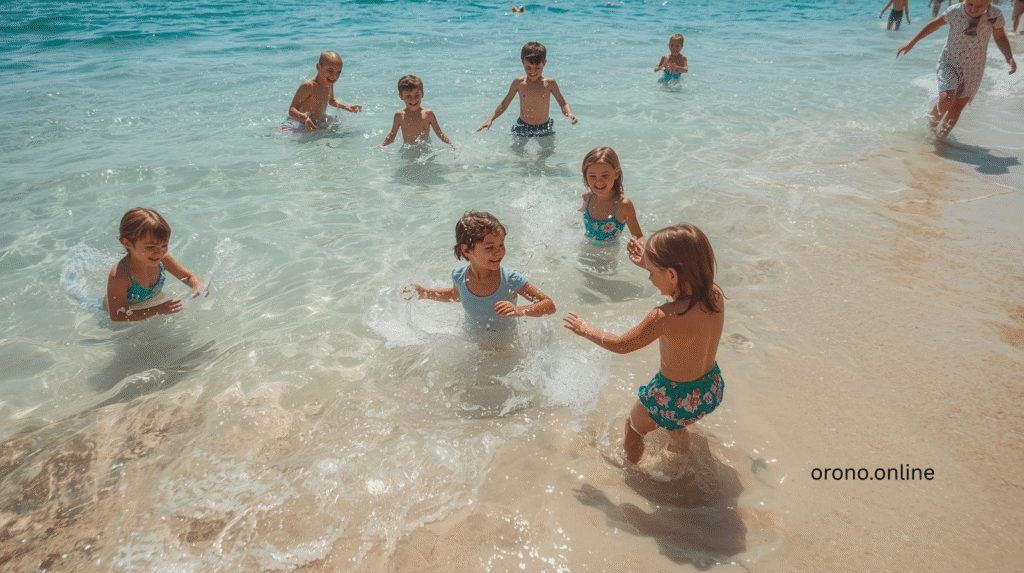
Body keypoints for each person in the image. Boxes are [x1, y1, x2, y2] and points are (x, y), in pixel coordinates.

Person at [563, 224, 725, 464]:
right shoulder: (715, 295)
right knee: (675, 419)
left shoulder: (665, 317)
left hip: (671, 396)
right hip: (708, 390)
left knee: (633, 425)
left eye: (651, 273)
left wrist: (587, 330)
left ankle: (631, 470)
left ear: (671, 274)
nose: (650, 278)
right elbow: (681, 284)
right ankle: (680, 448)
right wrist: (650, 263)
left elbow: (621, 345)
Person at [406, 211, 555, 333]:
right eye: (489, 248)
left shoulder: (509, 279)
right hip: (472, 341)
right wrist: (424, 293)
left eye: (501, 245)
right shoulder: (459, 276)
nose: (499, 252)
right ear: (466, 250)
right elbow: (456, 295)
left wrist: (519, 310)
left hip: (505, 348)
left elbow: (549, 305)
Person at [896, 0, 1016, 138]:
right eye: (970, 4)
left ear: (989, 2)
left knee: (958, 105)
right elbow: (934, 25)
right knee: (947, 97)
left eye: (979, 6)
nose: (973, 9)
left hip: (974, 66)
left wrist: (1009, 57)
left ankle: (941, 138)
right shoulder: (955, 11)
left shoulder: (995, 15)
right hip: (950, 61)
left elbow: (1000, 37)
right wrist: (912, 42)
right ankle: (929, 131)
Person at [103, 208, 203, 322]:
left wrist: (197, 288)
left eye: (164, 245)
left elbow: (190, 277)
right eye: (151, 247)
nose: (160, 252)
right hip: (110, 316)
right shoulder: (120, 276)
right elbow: (117, 316)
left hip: (151, 304)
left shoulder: (163, 260)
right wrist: (158, 310)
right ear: (127, 243)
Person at [477, 41, 577, 138]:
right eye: (528, 67)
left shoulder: (550, 83)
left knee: (547, 153)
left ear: (544, 63)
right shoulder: (518, 83)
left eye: (537, 68)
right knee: (517, 153)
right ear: (522, 62)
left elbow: (563, 103)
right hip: (523, 126)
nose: (532, 72)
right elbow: (504, 104)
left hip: (544, 126)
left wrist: (569, 114)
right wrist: (490, 120)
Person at [578, 147, 644, 262]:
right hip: (585, 252)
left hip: (608, 257)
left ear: (616, 174)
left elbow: (638, 236)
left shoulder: (623, 205)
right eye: (592, 176)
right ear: (585, 176)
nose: (599, 181)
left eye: (605, 175)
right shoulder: (587, 198)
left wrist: (636, 247)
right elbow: (577, 220)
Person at [284, 51, 362, 132]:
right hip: (299, 122)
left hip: (317, 121)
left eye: (338, 72)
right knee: (276, 134)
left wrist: (348, 107)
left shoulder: (329, 83)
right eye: (330, 71)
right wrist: (304, 117)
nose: (334, 76)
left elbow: (332, 101)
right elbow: (292, 110)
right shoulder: (308, 86)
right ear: (318, 67)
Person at [381, 75, 455, 149]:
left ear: (422, 94)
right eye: (408, 96)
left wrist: (451, 145)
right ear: (401, 96)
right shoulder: (399, 115)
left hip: (425, 150)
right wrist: (382, 146)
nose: (413, 100)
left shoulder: (428, 114)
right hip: (408, 151)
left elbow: (440, 133)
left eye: (417, 95)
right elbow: (392, 135)